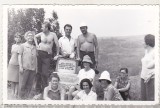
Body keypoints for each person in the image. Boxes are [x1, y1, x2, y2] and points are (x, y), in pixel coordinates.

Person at [34, 21, 59, 92]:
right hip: (40, 53)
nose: (42, 28)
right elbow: (34, 37)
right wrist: (36, 45)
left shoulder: (53, 34)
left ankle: (45, 89)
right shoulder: (41, 34)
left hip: (47, 55)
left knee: (45, 73)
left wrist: (57, 54)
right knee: (38, 72)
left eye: (43, 27)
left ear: (47, 28)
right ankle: (37, 90)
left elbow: (57, 45)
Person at [18, 31, 37, 99]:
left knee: (29, 84)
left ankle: (26, 97)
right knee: (22, 84)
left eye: (32, 36)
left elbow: (36, 58)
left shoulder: (35, 47)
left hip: (32, 68)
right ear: (26, 37)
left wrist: (36, 68)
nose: (30, 37)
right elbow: (19, 56)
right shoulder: (22, 45)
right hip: (25, 68)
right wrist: (20, 66)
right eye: (29, 35)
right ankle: (20, 98)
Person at [141, 34, 155, 101]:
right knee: (143, 99)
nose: (142, 43)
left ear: (148, 43)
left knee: (150, 100)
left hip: (151, 79)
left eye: (144, 41)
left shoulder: (155, 52)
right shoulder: (146, 51)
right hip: (143, 78)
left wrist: (151, 75)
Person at [8, 33, 22, 97]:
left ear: (21, 39)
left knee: (17, 80)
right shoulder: (13, 45)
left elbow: (20, 56)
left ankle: (16, 93)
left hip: (17, 64)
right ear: (14, 38)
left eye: (19, 37)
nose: (17, 38)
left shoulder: (21, 46)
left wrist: (20, 65)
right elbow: (12, 55)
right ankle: (12, 92)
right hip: (11, 63)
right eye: (16, 37)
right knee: (12, 79)